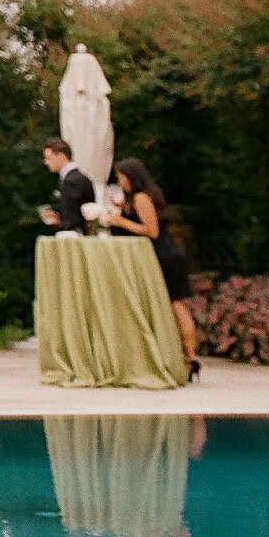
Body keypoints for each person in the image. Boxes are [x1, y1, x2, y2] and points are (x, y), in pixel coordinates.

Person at [108, 156, 195, 383]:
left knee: (177, 305)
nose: (120, 182)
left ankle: (190, 358)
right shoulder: (141, 196)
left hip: (165, 255)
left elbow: (151, 230)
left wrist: (121, 222)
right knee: (172, 305)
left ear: (131, 177)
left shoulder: (142, 197)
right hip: (161, 254)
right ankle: (182, 356)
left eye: (122, 178)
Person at [38, 139, 97, 232]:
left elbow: (73, 221)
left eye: (49, 158)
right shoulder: (79, 177)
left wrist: (64, 224)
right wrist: (60, 219)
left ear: (61, 156)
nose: (45, 162)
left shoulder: (71, 181)